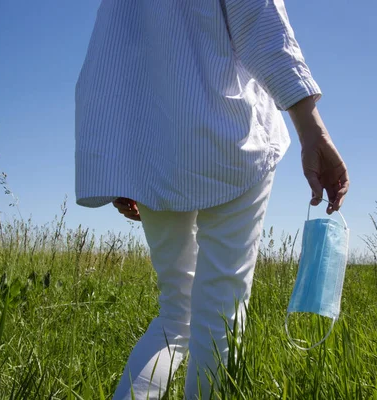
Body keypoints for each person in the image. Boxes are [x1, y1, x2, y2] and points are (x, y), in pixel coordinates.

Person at [74, 0, 349, 398]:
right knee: (220, 310)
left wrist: (122, 164)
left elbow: (110, 57)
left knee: (175, 312)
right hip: (230, 139)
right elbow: (258, 19)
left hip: (151, 149)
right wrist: (312, 129)